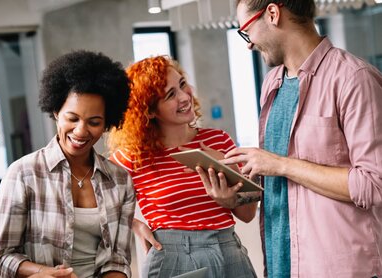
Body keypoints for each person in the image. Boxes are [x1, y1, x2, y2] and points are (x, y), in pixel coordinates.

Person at [221, 0, 382, 276]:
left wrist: (281, 164)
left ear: (272, 13)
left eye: (247, 30)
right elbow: (284, 188)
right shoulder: (272, 84)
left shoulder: (353, 78)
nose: (248, 44)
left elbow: (374, 183)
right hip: (281, 264)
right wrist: (234, 196)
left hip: (336, 268)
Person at [108, 56, 259, 278]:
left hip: (230, 251)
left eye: (182, 85)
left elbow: (247, 214)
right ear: (149, 111)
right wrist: (135, 225)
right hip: (173, 258)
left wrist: (228, 185)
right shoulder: (133, 157)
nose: (184, 96)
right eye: (170, 95)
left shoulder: (219, 141)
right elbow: (93, 198)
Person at [0, 50, 135, 278]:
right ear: (56, 111)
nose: (81, 131)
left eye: (94, 122)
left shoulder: (120, 180)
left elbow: (118, 258)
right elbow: (2, 259)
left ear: (107, 123)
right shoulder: (23, 174)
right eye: (72, 118)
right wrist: (45, 273)